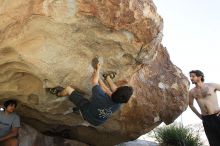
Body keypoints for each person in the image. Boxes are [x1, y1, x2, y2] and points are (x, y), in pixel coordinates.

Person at [49, 62, 133, 126]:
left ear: (116, 92)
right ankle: (107, 77)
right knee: (104, 94)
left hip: (88, 113)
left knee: (68, 89)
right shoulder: (118, 104)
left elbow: (94, 81)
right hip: (98, 122)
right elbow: (110, 90)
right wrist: (101, 79)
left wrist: (98, 70)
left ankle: (58, 93)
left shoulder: (99, 95)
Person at [189, 70, 220, 146]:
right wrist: (199, 115)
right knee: (213, 142)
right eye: (190, 76)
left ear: (200, 77)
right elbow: (191, 105)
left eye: (193, 76)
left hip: (218, 116)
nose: (191, 78)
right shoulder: (191, 92)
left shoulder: (211, 86)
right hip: (206, 119)